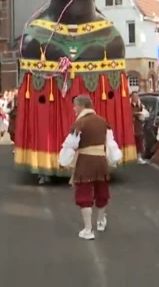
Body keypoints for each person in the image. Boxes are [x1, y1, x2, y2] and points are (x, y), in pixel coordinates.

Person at [58, 95, 122, 240]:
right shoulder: (103, 122)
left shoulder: (79, 124)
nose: (74, 109)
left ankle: (88, 229)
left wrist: (63, 161)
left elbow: (70, 145)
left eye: (75, 106)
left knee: (84, 194)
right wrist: (115, 158)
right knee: (101, 191)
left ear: (81, 106)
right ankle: (100, 222)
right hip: (100, 162)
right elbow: (110, 143)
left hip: (85, 162)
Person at [129, 92, 149, 164]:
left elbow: (145, 114)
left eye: (137, 96)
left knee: (139, 142)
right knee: (131, 142)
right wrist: (136, 113)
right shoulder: (128, 105)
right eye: (134, 96)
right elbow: (128, 113)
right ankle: (131, 157)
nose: (135, 98)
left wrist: (142, 114)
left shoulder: (140, 105)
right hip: (131, 127)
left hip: (139, 127)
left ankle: (139, 157)